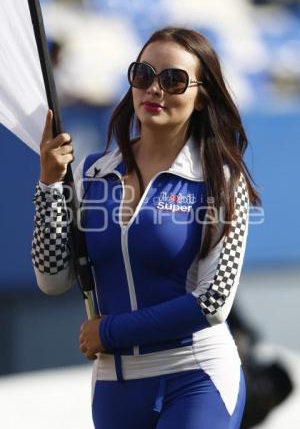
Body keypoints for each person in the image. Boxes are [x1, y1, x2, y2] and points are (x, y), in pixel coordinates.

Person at [32, 27, 260, 429]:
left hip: (197, 377)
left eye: (172, 80)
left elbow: (213, 303)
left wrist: (111, 330)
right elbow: (53, 278)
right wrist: (50, 184)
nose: (154, 89)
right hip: (115, 386)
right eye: (143, 75)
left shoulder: (223, 180)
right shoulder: (91, 172)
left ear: (202, 96)